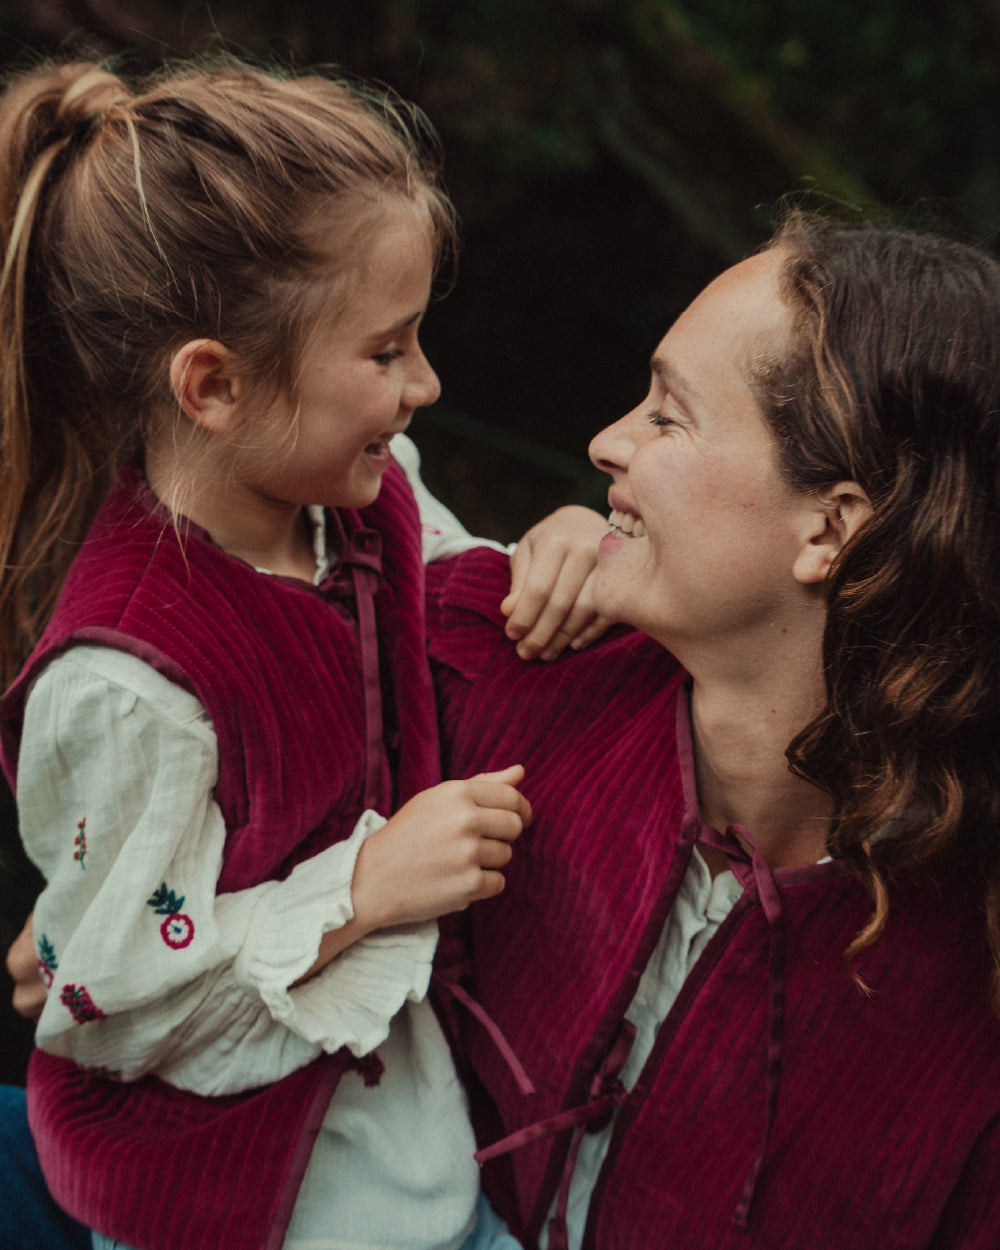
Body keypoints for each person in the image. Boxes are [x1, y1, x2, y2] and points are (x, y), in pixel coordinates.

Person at [0, 57, 607, 1250]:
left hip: (411, 1162)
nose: (423, 385)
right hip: (228, 1210)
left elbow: (463, 597)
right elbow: (108, 998)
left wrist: (579, 551)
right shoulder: (127, 684)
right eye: (385, 352)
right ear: (214, 384)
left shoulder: (360, 503)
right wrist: (365, 889)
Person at [425, 215, 1000, 1247]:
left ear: (829, 529)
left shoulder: (972, 968)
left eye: (668, 417)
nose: (605, 441)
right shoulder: (498, 660)